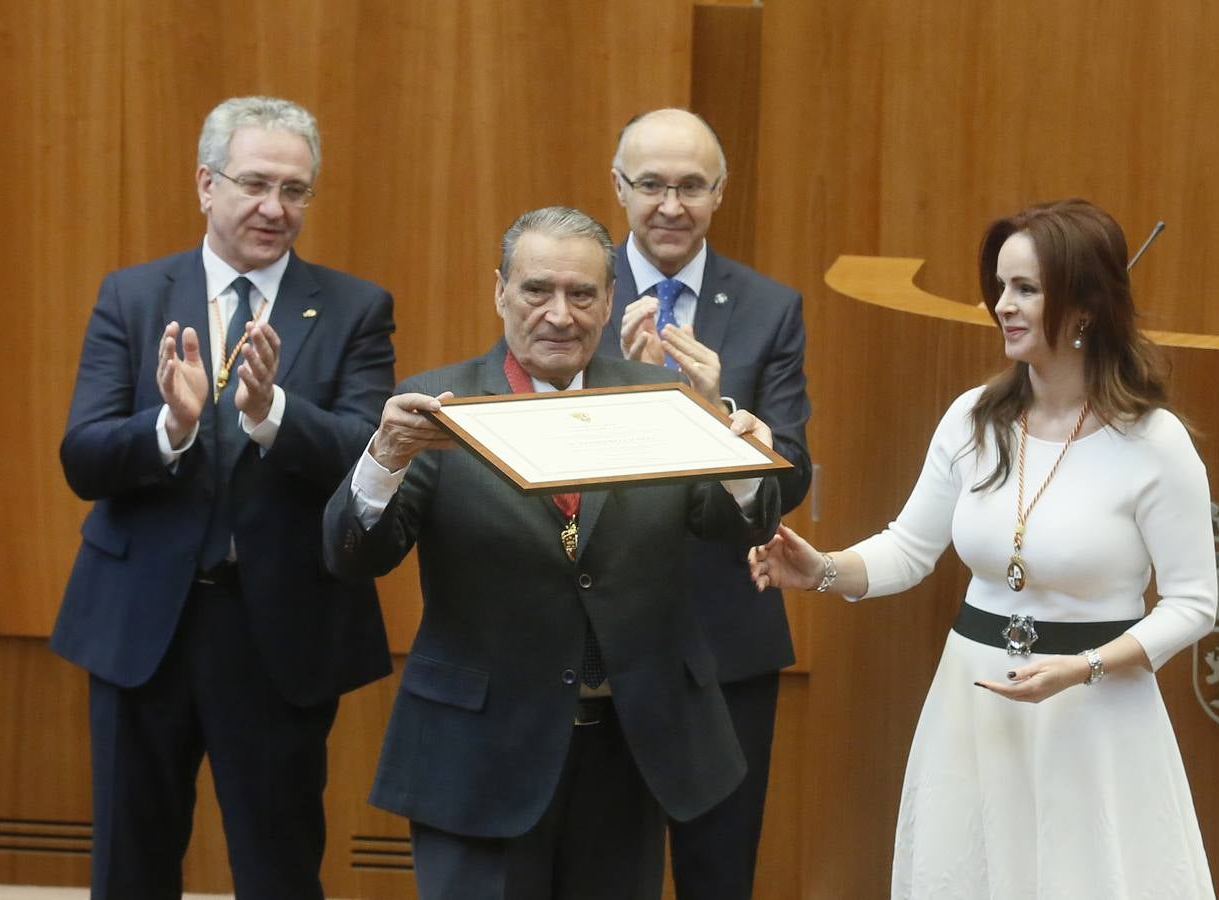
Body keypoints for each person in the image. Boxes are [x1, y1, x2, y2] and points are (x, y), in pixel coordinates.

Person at [749, 198, 1218, 898]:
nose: (1003, 305)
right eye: (1000, 286)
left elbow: (1193, 604)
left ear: (1085, 305)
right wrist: (822, 570)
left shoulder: (1154, 441)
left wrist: (1083, 666)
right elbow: (908, 549)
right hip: (973, 705)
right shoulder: (973, 419)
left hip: (1093, 716)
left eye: (1026, 289)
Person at [322, 206, 782, 900]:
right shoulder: (437, 404)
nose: (559, 315)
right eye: (537, 290)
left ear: (610, 301)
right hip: (479, 756)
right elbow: (353, 555)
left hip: (631, 751)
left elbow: (736, 523)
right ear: (500, 292)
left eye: (582, 294)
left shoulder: (659, 399)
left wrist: (736, 455)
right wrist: (383, 459)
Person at [53, 96, 396, 898]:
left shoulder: (355, 308)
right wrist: (169, 427)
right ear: (207, 184)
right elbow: (83, 458)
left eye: (295, 190)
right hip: (142, 626)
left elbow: (365, 453)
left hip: (278, 629)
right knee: (130, 868)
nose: (275, 207)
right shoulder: (133, 296)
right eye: (255, 183)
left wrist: (271, 413)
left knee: (279, 870)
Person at [598, 107, 812, 899]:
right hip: (594, 633)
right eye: (651, 184)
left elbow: (792, 477)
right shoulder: (573, 294)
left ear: (720, 193)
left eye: (691, 186)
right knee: (597, 872)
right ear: (619, 187)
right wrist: (621, 390)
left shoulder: (767, 307)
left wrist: (716, 416)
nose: (670, 205)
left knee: (718, 874)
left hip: (725, 636)